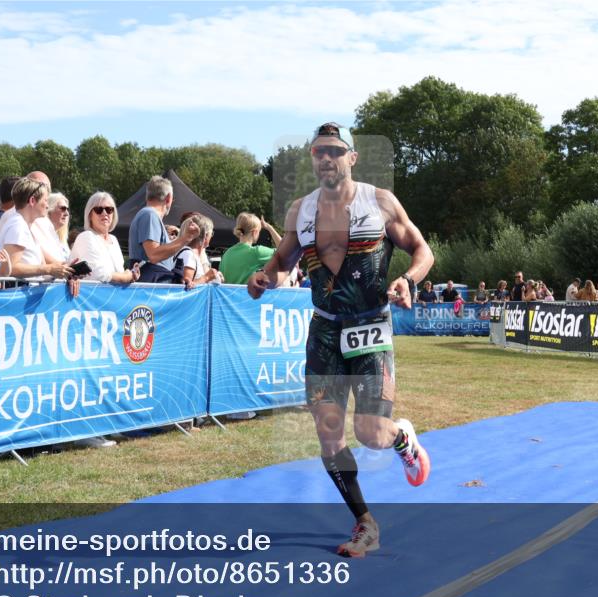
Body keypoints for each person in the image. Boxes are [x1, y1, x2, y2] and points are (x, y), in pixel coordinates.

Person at [247, 122, 434, 558]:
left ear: (352, 157)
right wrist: (263, 277)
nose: (326, 158)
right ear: (312, 159)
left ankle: (401, 438)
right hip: (325, 329)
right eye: (319, 151)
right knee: (328, 434)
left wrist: (408, 279)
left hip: (370, 326)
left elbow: (423, 250)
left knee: (370, 433)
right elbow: (282, 261)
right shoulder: (300, 210)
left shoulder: (380, 201)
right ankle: (365, 523)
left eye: (335, 150)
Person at [0, 177, 73, 280]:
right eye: (45, 200)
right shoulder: (18, 225)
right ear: (32, 201)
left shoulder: (24, 226)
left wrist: (68, 270)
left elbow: (42, 268)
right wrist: (49, 269)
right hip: (18, 289)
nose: (47, 205)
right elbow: (11, 268)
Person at [128, 176, 200, 283]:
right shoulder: (150, 214)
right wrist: (185, 238)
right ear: (169, 198)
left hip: (152, 282)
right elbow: (154, 255)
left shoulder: (148, 215)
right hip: (151, 285)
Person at [70, 192, 139, 285]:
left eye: (109, 209)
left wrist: (131, 275)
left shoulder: (113, 239)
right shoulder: (86, 237)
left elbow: (118, 273)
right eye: (98, 210)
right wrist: (126, 277)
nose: (104, 213)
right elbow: (99, 274)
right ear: (90, 215)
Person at [220, 212, 281, 285]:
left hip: (228, 292)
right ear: (254, 232)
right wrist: (269, 228)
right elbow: (284, 250)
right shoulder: (257, 252)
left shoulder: (227, 253)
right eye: (259, 231)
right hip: (246, 292)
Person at [175, 214, 223, 288]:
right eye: (212, 233)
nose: (211, 236)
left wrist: (213, 278)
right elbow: (184, 287)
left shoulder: (193, 254)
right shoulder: (188, 254)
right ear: (206, 235)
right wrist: (207, 277)